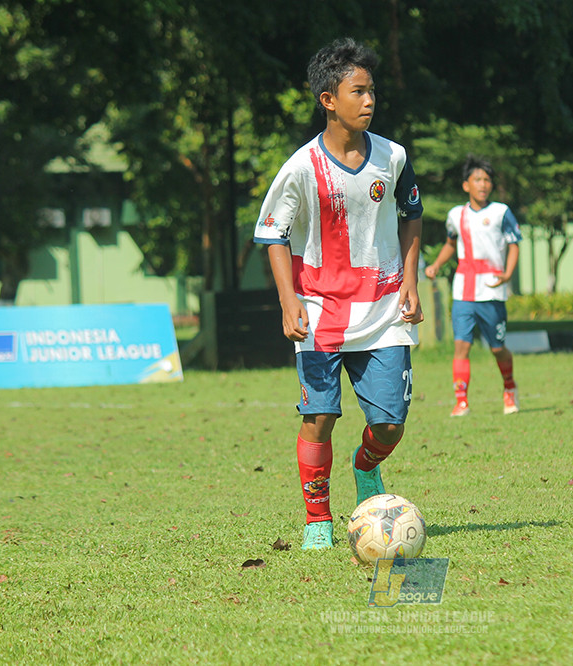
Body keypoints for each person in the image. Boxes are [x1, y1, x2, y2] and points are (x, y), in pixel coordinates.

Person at [253, 38, 424, 551]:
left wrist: (411, 280)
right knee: (319, 417)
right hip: (321, 311)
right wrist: (288, 300)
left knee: (390, 424)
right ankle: (317, 521)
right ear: (329, 99)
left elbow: (411, 215)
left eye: (372, 91)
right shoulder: (302, 166)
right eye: (358, 91)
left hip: (383, 309)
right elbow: (272, 234)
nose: (369, 101)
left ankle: (365, 467)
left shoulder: (392, 157)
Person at [424, 156, 521, 417]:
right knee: (461, 346)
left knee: (497, 348)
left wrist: (507, 274)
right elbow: (450, 244)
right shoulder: (456, 215)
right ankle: (461, 401)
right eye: (477, 179)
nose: (483, 184)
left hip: (492, 287)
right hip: (464, 289)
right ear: (466, 185)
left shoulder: (501, 212)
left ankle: (509, 387)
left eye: (487, 180)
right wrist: (435, 265)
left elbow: (514, 245)